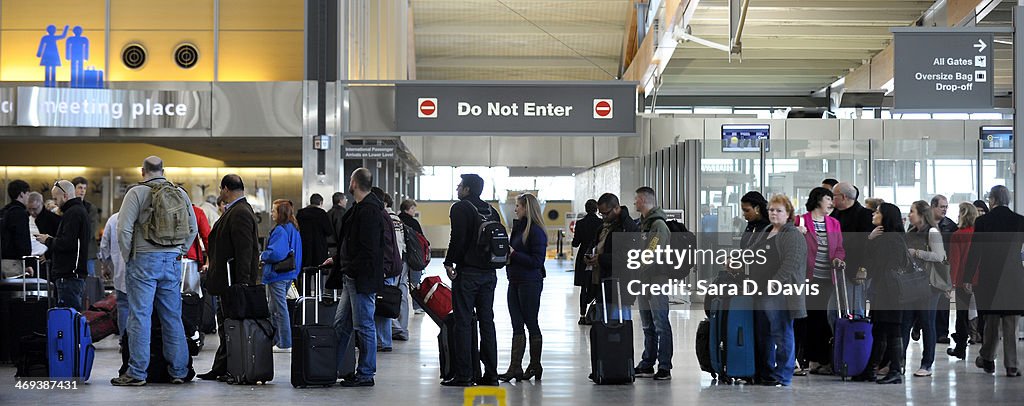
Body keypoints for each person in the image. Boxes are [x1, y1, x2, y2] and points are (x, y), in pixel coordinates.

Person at [110, 157, 198, 386]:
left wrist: (129, 256)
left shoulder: (136, 193)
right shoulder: (179, 192)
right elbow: (193, 227)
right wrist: (180, 251)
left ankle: (137, 373)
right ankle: (179, 370)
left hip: (143, 261)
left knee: (140, 316)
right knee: (172, 317)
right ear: (163, 171)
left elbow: (123, 230)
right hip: (171, 261)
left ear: (142, 171)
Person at [323, 168, 383, 387]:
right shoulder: (358, 208)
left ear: (355, 183)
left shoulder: (369, 210)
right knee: (342, 324)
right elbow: (350, 243)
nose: (349, 183)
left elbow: (367, 249)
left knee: (364, 325)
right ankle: (329, 368)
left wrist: (350, 267)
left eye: (350, 180)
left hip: (361, 278)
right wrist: (339, 260)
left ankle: (366, 373)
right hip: (351, 277)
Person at [441, 174, 503, 387]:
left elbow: (457, 238)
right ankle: (491, 374)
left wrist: (449, 262)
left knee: (464, 323)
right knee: (487, 322)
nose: (457, 188)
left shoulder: (460, 208)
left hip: (468, 274)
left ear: (467, 189)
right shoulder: (491, 210)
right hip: (489, 274)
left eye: (460, 185)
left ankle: (465, 375)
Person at [197, 174, 260, 382]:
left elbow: (245, 251)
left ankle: (227, 367)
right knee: (226, 326)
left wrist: (241, 284)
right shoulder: (237, 210)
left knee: (229, 325)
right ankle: (222, 367)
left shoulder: (240, 212)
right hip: (229, 280)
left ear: (225, 189)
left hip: (233, 282)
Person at [963, 185, 1024, 377]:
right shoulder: (1020, 221)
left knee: (991, 321)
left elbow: (975, 252)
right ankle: (1012, 365)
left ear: (992, 200)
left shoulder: (983, 222)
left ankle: (988, 359)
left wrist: (967, 277)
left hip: (990, 276)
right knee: (1011, 323)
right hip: (1013, 276)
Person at [750, 194, 808, 386]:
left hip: (779, 292)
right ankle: (767, 373)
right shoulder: (767, 230)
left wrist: (774, 283)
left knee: (781, 333)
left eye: (779, 210)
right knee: (764, 334)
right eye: (771, 210)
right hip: (760, 290)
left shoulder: (792, 234)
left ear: (788, 213)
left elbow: (791, 263)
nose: (774, 213)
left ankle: (783, 375)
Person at [583, 193, 640, 382]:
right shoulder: (604, 227)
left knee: (618, 329)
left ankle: (619, 367)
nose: (603, 216)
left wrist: (601, 259)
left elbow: (626, 258)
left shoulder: (627, 228)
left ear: (616, 208)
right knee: (602, 328)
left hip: (620, 286)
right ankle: (603, 365)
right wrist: (591, 256)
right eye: (601, 213)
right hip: (603, 284)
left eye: (606, 213)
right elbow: (596, 246)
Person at [855, 203, 909, 384]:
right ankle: (872, 369)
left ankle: (895, 371)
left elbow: (872, 263)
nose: (873, 214)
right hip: (887, 290)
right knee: (879, 330)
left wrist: (869, 241)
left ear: (886, 216)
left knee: (892, 330)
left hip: (888, 291)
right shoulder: (893, 237)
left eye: (877, 212)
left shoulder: (889, 239)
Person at [795, 187, 846, 375]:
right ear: (817, 199)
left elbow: (839, 247)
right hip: (808, 277)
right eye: (828, 198)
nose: (831, 202)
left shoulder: (833, 223)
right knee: (806, 318)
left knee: (823, 319)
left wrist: (838, 259)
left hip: (827, 278)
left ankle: (819, 359)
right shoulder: (800, 220)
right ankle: (806, 359)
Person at [497, 193, 548, 383]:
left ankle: (535, 364)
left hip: (530, 283)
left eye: (518, 206)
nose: (515, 209)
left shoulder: (536, 232)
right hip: (515, 281)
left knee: (531, 322)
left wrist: (514, 254)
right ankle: (515, 367)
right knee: (516, 324)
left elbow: (537, 261)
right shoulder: (517, 230)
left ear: (527, 208)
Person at [630, 187, 675, 381]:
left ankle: (664, 365)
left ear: (642, 200)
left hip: (656, 279)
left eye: (636, 200)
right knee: (648, 324)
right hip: (643, 279)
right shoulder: (644, 224)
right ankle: (648, 362)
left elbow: (652, 252)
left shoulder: (658, 225)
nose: (634, 203)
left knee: (660, 323)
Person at [900, 200, 947, 378]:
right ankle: (900, 361)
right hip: (912, 283)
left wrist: (917, 253)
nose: (910, 214)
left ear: (921, 214)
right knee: (905, 322)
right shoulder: (911, 232)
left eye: (912, 211)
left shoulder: (932, 232)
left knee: (927, 323)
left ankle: (927, 364)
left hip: (928, 284)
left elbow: (940, 256)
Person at [35, 180, 90, 311]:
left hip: (69, 274)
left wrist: (48, 240)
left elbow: (68, 243)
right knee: (71, 316)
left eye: (55, 198)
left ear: (65, 196)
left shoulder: (73, 213)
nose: (54, 202)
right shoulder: (77, 211)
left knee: (68, 317)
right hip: (72, 274)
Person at [261, 199, 302, 353]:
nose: (271, 213)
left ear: (281, 213)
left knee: (279, 309)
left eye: (274, 210)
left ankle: (284, 342)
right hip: (289, 273)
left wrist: (263, 256)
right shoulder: (294, 228)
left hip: (277, 274)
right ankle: (278, 340)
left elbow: (277, 252)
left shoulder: (280, 230)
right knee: (274, 308)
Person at [831, 183, 875, 318]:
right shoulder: (834, 214)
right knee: (833, 311)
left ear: (843, 197)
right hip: (837, 269)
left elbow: (868, 246)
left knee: (855, 310)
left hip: (855, 270)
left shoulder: (865, 215)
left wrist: (863, 268)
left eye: (834, 196)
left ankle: (856, 338)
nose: (831, 199)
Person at [372, 188, 405, 349]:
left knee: (382, 304)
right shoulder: (396, 218)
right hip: (396, 264)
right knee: (386, 302)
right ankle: (385, 338)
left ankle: (383, 340)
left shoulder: (383, 217)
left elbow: (387, 245)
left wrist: (385, 267)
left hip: (387, 266)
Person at [947, 202, 979, 360]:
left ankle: (960, 349)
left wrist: (951, 283)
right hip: (980, 279)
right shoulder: (979, 234)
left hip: (962, 280)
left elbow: (955, 261)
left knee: (962, 315)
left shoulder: (958, 235)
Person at [930, 195, 958, 345]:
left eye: (946, 207)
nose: (945, 209)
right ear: (933, 207)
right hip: (926, 267)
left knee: (942, 301)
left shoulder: (951, 226)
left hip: (943, 267)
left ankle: (942, 333)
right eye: (942, 206)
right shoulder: (923, 224)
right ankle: (919, 326)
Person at [571, 199, 602, 325]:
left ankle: (582, 315)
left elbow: (575, 243)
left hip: (583, 258)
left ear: (586, 208)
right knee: (597, 285)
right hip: (597, 257)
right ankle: (596, 314)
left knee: (584, 288)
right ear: (596, 209)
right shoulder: (601, 223)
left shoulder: (580, 223)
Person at [99, 211, 128, 339]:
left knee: (123, 307)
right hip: (143, 275)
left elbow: (104, 245)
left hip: (121, 273)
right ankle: (142, 343)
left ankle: (124, 341)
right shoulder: (146, 216)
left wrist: (105, 266)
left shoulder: (114, 219)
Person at [398, 199, 426, 314]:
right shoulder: (413, 223)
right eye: (413, 208)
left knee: (401, 281)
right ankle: (417, 306)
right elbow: (421, 239)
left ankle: (399, 306)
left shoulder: (397, 219)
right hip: (413, 255)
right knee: (415, 282)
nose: (414, 211)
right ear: (407, 209)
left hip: (401, 255)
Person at [2, 180, 33, 278]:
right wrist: (28, 263)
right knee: (14, 292)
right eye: (27, 194)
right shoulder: (20, 213)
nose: (28, 198)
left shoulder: (3, 212)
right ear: (21, 194)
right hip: (13, 263)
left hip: (2, 260)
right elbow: (22, 240)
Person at [72, 177, 100, 278]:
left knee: (89, 280)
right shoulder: (68, 207)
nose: (82, 191)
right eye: (80, 188)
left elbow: (91, 230)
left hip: (87, 250)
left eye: (84, 188)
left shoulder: (90, 208)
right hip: (71, 251)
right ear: (73, 189)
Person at [296, 194, 332, 269]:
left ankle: (305, 281)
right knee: (318, 271)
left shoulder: (301, 214)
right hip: (319, 248)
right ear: (321, 203)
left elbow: (296, 229)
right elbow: (329, 231)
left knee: (305, 270)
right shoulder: (322, 214)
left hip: (304, 246)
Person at [25, 192, 50, 258]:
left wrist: (48, 255)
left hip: (42, 256)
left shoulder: (51, 219)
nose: (32, 212)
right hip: (27, 255)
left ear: (42, 204)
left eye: (34, 209)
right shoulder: (24, 217)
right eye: (29, 209)